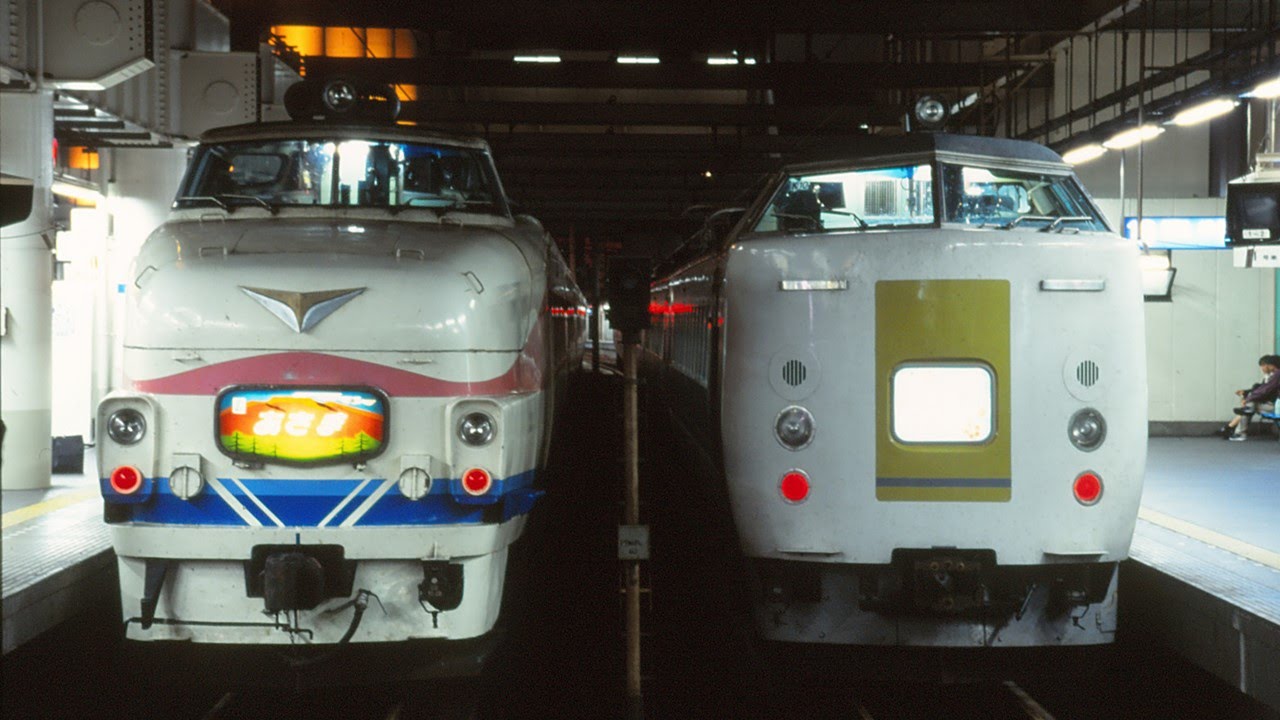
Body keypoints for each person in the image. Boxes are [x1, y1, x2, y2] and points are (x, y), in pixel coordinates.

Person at [1220, 354, 1280, 441]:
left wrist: (1249, 398)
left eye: (1266, 365)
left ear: (1272, 364)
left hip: (1275, 406)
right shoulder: (1273, 375)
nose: (1265, 367)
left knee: (1249, 405)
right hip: (1273, 404)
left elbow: (1266, 390)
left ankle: (1238, 432)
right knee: (1249, 405)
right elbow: (1263, 389)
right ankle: (1236, 428)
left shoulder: (1277, 374)